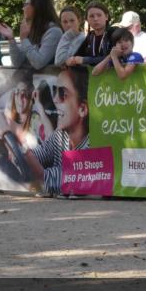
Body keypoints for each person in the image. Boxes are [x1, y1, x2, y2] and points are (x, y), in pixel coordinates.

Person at [25, 65, 90, 198]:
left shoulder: (91, 145)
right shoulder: (60, 135)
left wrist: (22, 150)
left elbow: (50, 179)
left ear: (82, 109)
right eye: (55, 91)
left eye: (63, 94)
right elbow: (39, 156)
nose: (55, 99)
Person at [0, 0, 62, 71]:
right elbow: (17, 62)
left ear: (37, 7)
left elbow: (38, 63)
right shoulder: (33, 30)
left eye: (26, 4)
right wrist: (11, 39)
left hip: (48, 81)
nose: (23, 8)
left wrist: (24, 39)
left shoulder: (54, 31)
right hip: (30, 81)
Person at [65, 1, 114, 67]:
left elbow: (113, 58)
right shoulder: (90, 36)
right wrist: (71, 60)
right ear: (87, 20)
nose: (95, 19)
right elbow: (77, 56)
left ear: (106, 17)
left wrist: (84, 60)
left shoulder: (114, 33)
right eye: (91, 16)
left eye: (99, 15)